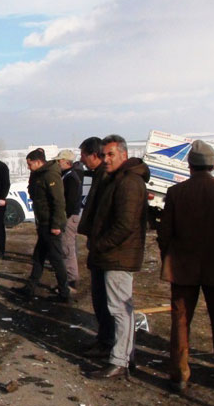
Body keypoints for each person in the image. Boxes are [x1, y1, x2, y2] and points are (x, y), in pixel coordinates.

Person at [158, 140, 214, 392]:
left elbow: (165, 233)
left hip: (183, 267)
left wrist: (171, 257)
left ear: (189, 166)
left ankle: (180, 373)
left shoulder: (176, 193)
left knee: (181, 320)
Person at [83, 134, 150, 380]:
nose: (106, 159)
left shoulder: (130, 182)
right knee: (112, 307)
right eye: (103, 154)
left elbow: (125, 225)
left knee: (120, 309)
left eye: (110, 154)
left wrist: (101, 244)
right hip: (110, 254)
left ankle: (121, 360)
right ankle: (117, 353)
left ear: (123, 154)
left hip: (118, 255)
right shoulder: (115, 179)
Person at [12, 148, 71, 302]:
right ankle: (30, 288)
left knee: (56, 259)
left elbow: (58, 201)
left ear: (38, 162)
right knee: (38, 256)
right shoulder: (39, 174)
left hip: (51, 224)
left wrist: (56, 225)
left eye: (30, 164)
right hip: (44, 222)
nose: (28, 167)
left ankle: (64, 293)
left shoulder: (50, 174)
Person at [77, 136, 115, 358]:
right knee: (100, 298)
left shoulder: (107, 178)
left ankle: (107, 342)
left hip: (105, 249)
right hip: (99, 245)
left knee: (106, 300)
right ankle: (103, 339)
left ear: (94, 155)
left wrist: (100, 241)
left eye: (83, 155)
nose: (81, 160)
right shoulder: (99, 176)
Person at [57, 149, 83, 292]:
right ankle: (68, 281)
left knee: (68, 249)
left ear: (66, 161)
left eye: (59, 161)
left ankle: (72, 282)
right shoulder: (67, 175)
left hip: (69, 217)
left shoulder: (71, 178)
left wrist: (63, 217)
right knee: (65, 248)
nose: (57, 163)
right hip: (68, 216)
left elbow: (71, 201)